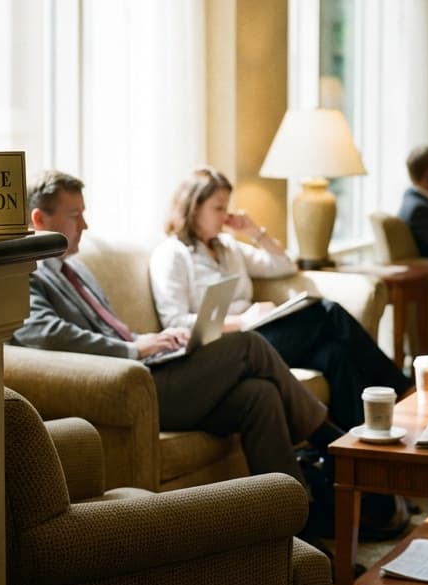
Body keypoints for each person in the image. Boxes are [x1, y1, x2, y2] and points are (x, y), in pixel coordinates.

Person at [11, 170, 343, 490]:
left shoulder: (76, 268)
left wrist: (149, 340)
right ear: (39, 220)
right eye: (75, 215)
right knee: (247, 345)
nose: (85, 225)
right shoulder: (25, 274)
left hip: (147, 368)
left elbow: (111, 328)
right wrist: (135, 350)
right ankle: (331, 443)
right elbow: (45, 334)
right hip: (128, 386)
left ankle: (293, 515)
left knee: (260, 395)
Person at [148, 166, 412, 433]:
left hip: (260, 330)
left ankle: (357, 448)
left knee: (336, 355)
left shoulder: (228, 247)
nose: (225, 215)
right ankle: (402, 389)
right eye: (218, 208)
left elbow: (283, 266)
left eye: (227, 207)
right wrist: (242, 321)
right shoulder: (172, 254)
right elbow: (175, 321)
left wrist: (253, 231)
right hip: (229, 348)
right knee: (325, 311)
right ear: (194, 207)